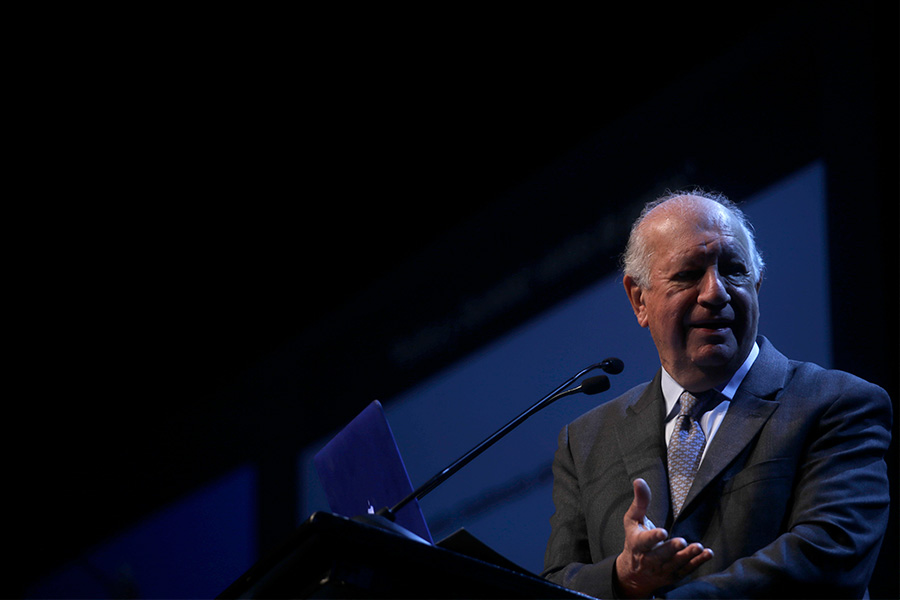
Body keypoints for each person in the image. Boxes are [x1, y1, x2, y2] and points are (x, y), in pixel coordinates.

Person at [541, 190, 892, 599]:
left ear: (756, 283)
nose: (715, 292)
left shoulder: (835, 403)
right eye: (688, 274)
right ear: (639, 299)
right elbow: (555, 583)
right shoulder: (585, 441)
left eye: (734, 270)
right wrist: (623, 578)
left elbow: (830, 555)